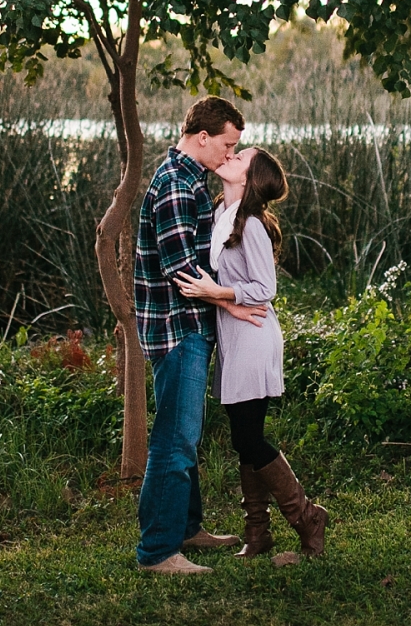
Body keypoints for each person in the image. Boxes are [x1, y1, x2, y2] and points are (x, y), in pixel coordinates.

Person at [175, 146, 329, 560]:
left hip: (255, 336)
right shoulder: (222, 216)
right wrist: (221, 299)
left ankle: (307, 516)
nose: (231, 155)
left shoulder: (254, 225)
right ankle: (257, 534)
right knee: (245, 439)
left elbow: (265, 288)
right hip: (234, 336)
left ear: (249, 178)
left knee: (248, 436)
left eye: (240, 156)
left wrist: (217, 293)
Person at [133, 96, 263, 576]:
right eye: (229, 145)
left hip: (191, 324)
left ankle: (188, 528)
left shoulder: (192, 180)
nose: (231, 155)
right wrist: (234, 302)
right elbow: (181, 271)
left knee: (184, 433)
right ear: (203, 137)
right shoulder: (173, 185)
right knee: (175, 439)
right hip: (176, 327)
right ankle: (158, 552)